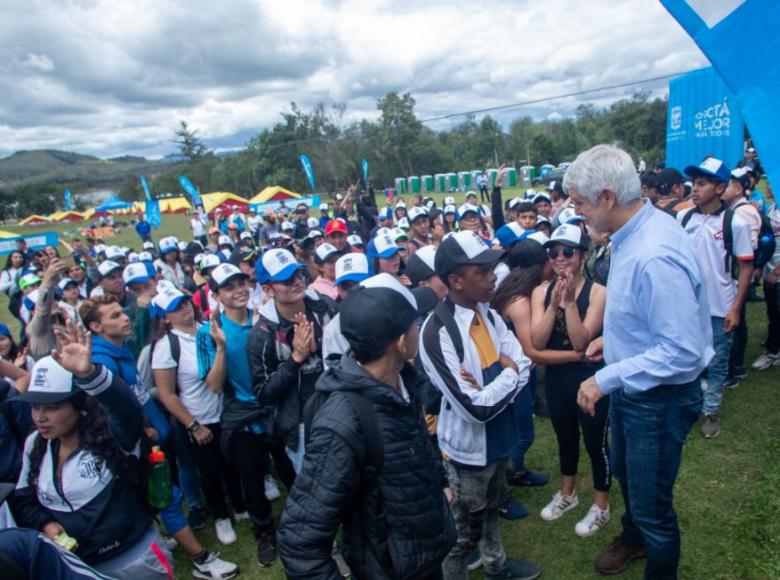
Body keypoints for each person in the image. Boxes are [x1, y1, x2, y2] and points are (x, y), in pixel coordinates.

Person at [567, 145, 711, 578]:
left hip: (658, 400)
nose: (577, 212)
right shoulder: (632, 233)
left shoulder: (654, 253)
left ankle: (652, 553)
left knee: (654, 508)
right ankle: (633, 536)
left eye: (579, 202)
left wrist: (606, 376)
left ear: (607, 197)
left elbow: (682, 349)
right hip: (638, 392)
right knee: (630, 479)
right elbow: (647, 316)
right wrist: (613, 340)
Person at [277, 273, 457, 579]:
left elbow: (414, 442)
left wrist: (437, 485)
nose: (420, 327)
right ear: (401, 342)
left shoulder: (404, 380)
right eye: (416, 322)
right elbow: (300, 541)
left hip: (424, 557)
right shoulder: (343, 423)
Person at [419, 230, 541, 580]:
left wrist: (508, 371)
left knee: (490, 510)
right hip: (469, 451)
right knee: (461, 533)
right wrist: (510, 372)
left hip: (499, 438)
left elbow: (522, 359)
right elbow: (476, 409)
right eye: (482, 271)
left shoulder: (485, 311)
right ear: (455, 280)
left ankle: (496, 566)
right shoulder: (437, 331)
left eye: (492, 268)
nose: (493, 277)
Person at [9, 336, 176, 579]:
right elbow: (24, 499)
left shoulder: (112, 437)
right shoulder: (35, 444)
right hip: (81, 569)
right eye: (36, 406)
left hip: (137, 562)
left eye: (52, 407)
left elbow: (126, 409)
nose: (40, 417)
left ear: (79, 406)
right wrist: (46, 524)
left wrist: (90, 375)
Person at [151, 286, 246, 549]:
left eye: (185, 302)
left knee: (231, 463)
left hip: (225, 411)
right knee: (209, 471)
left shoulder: (208, 328)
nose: (185, 308)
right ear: (165, 317)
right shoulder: (167, 346)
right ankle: (220, 516)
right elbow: (167, 394)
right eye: (176, 307)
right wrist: (193, 425)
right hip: (198, 417)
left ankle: (239, 505)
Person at [530, 224, 610, 537]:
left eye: (567, 252)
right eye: (553, 252)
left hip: (589, 376)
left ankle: (601, 504)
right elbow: (537, 342)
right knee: (565, 436)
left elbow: (581, 342)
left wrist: (571, 303)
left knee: (595, 440)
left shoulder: (599, 292)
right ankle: (568, 492)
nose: (560, 258)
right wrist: (552, 304)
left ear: (583, 254)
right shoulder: (541, 291)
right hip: (558, 377)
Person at [196, 263, 278, 567]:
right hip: (242, 416)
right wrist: (220, 347)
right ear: (215, 294)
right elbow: (215, 385)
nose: (239, 291)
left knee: (291, 470)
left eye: (242, 283)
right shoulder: (209, 333)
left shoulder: (264, 320)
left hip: (275, 409)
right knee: (252, 480)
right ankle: (265, 534)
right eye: (229, 287)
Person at [679, 158, 753, 439]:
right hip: (687, 306)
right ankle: (690, 406)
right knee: (690, 358)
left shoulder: (736, 222)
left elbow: (745, 267)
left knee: (717, 360)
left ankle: (711, 411)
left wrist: (736, 308)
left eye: (702, 183)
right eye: (693, 183)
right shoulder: (684, 218)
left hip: (720, 305)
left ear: (720, 187)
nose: (694, 189)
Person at [249, 248, 333, 473]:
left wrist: (322, 348)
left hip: (337, 406)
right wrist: (296, 358)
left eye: (298, 274)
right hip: (301, 423)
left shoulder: (324, 307)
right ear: (267, 289)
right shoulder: (262, 334)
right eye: (287, 280)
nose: (297, 282)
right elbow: (264, 394)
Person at [752, 180, 780, 370]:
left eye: (771, 184)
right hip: (770, 270)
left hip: (777, 272)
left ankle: (772, 352)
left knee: (777, 312)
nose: (767, 187)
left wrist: (776, 272)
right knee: (772, 311)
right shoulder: (772, 208)